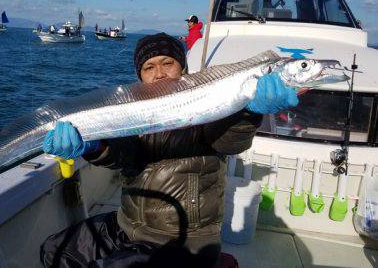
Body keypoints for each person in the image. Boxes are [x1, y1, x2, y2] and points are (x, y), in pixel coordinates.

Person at [40, 33, 298, 267]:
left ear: (182, 69)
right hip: (126, 225)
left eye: (168, 63)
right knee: (54, 251)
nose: (159, 73)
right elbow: (125, 154)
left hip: (183, 242)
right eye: (149, 67)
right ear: (140, 77)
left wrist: (247, 112)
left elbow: (230, 141)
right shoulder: (135, 114)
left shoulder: (208, 108)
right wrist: (95, 145)